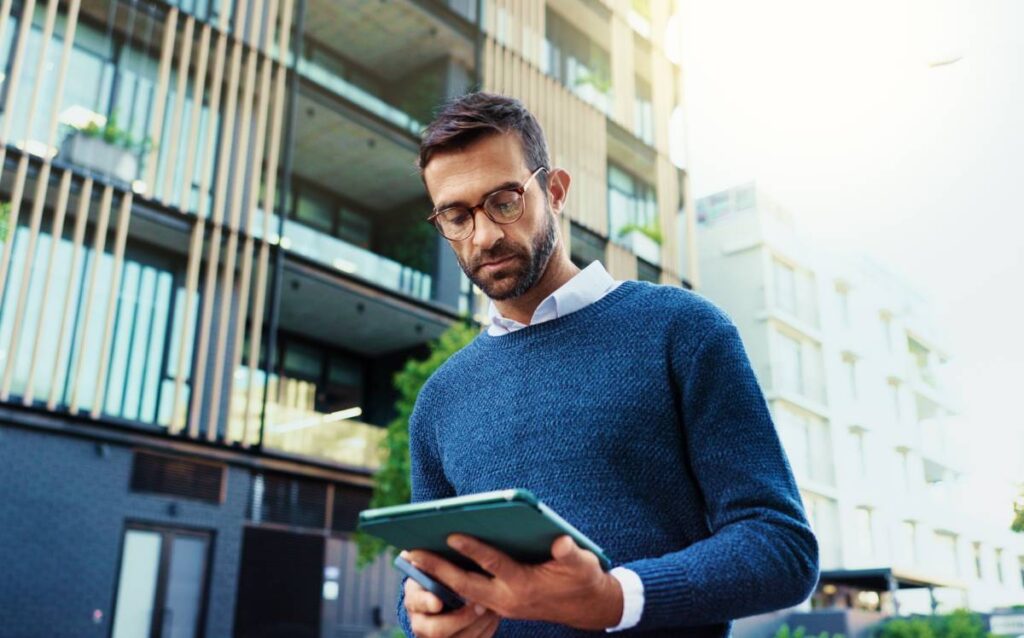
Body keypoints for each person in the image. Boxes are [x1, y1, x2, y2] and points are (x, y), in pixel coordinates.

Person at [395, 92, 819, 637]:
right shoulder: (439, 400)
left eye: (504, 201)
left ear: (555, 191)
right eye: (456, 215)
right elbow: (427, 576)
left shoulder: (682, 331)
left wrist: (616, 599)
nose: (485, 235)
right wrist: (424, 619)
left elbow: (781, 545)